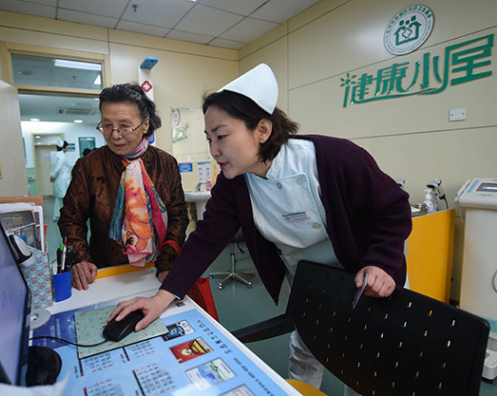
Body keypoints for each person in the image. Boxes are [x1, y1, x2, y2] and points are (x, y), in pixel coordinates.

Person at [109, 64, 412, 393]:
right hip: (310, 280)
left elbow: (392, 209)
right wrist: (161, 298)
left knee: (368, 362)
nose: (214, 150)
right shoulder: (234, 183)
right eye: (209, 138)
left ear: (263, 130)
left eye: (222, 136)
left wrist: (380, 262)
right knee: (306, 349)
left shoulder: (333, 157)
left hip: (367, 275)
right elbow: (206, 240)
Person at [58, 83, 189, 291]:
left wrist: (168, 263)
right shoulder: (89, 166)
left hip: (157, 270)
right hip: (107, 273)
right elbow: (71, 219)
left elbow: (178, 216)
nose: (115, 135)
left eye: (125, 126)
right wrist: (81, 259)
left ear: (145, 125)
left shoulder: (166, 163)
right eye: (107, 125)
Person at [50, 140, 71, 221]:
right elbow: (58, 168)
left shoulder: (56, 155)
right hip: (63, 180)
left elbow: (53, 168)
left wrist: (52, 176)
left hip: (59, 180)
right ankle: (64, 216)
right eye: (67, 146)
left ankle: (56, 215)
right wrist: (53, 176)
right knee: (64, 198)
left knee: (58, 199)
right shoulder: (61, 156)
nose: (67, 148)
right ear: (64, 147)